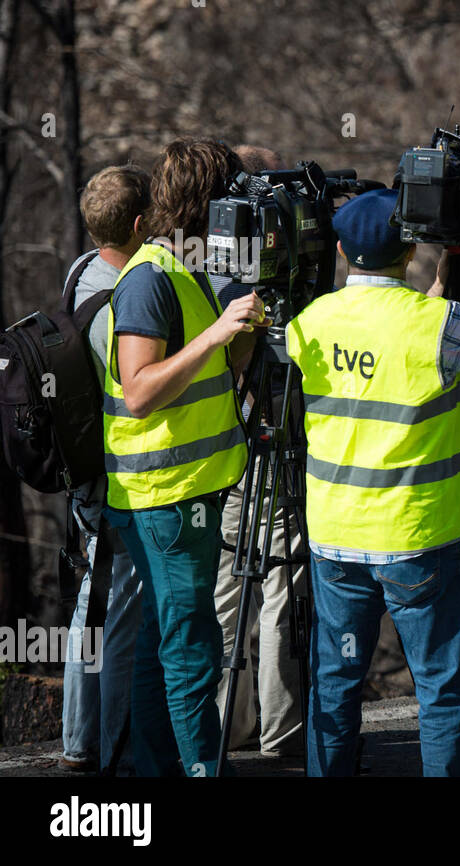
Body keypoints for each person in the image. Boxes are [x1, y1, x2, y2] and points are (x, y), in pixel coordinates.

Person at [284, 188, 460, 776]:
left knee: (334, 688)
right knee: (442, 696)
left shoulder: (310, 321)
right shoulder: (439, 325)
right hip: (419, 538)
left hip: (335, 537)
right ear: (408, 251)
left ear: (341, 250)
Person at [103, 138, 260, 777]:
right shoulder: (147, 280)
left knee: (162, 642)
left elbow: (215, 370)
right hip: (163, 498)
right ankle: (199, 769)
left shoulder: (187, 270)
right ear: (208, 203)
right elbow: (139, 391)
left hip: (188, 486)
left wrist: (239, 335)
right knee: (192, 644)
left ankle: (154, 769)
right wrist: (221, 333)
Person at [208, 144, 308, 760]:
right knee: (279, 577)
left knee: (227, 581)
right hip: (266, 432)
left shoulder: (202, 260)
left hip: (223, 449)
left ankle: (228, 722)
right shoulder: (261, 273)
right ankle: (283, 729)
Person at [59, 165, 149, 774]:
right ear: (142, 225)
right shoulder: (121, 300)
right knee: (118, 611)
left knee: (92, 602)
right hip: (114, 473)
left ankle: (78, 742)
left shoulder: (78, 274)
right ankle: (107, 746)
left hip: (82, 465)